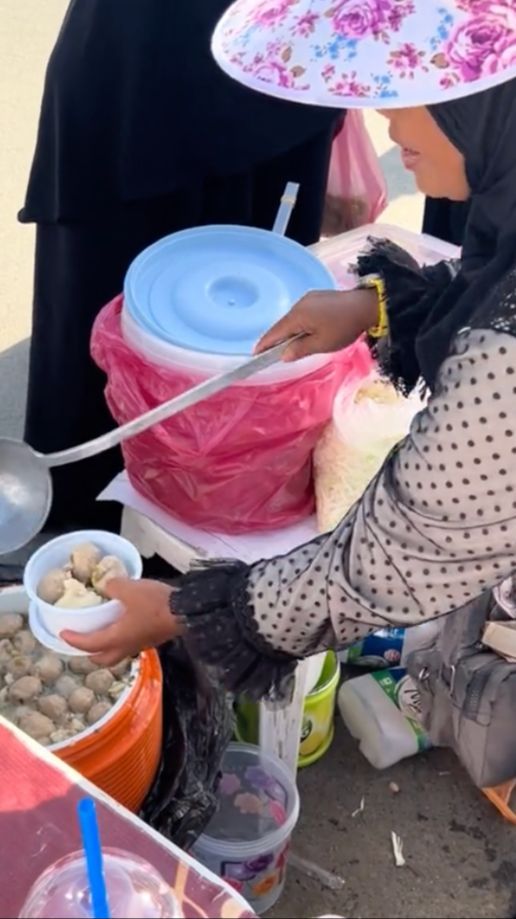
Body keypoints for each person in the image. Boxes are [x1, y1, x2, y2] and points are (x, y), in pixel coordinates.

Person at [62, 1, 516, 704]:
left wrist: (187, 611)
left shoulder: (502, 361)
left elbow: (402, 553)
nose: (386, 130)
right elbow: (481, 284)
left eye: (410, 98)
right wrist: (374, 306)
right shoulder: (504, 207)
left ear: (481, 106)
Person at [20, 0, 338, 533]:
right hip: (144, 56)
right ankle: (91, 518)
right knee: (113, 289)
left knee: (255, 305)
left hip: (286, 57)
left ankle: (216, 520)